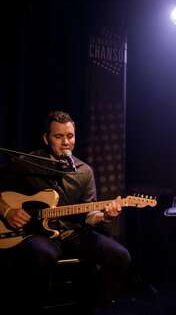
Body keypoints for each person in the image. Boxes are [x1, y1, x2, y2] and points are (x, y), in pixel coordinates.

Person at [0, 111, 131, 314]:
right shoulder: (27, 163)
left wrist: (104, 215)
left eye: (70, 136)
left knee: (120, 256)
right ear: (46, 138)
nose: (66, 142)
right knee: (42, 255)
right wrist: (7, 211)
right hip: (37, 233)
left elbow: (89, 213)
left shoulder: (84, 171)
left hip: (73, 232)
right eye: (58, 136)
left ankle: (90, 305)